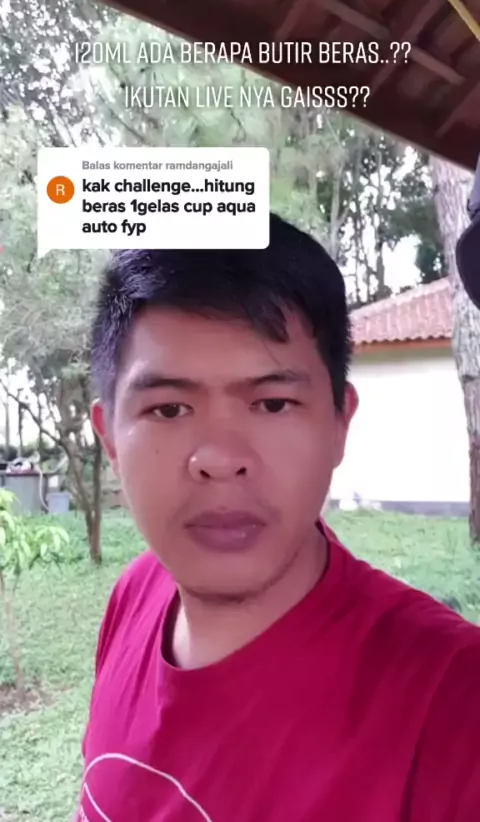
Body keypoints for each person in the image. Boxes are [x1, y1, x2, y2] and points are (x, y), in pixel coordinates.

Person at [77, 213, 480, 822]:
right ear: (109, 437)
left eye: (272, 403)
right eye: (168, 409)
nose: (220, 459)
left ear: (339, 425)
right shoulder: (134, 596)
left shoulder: (453, 705)